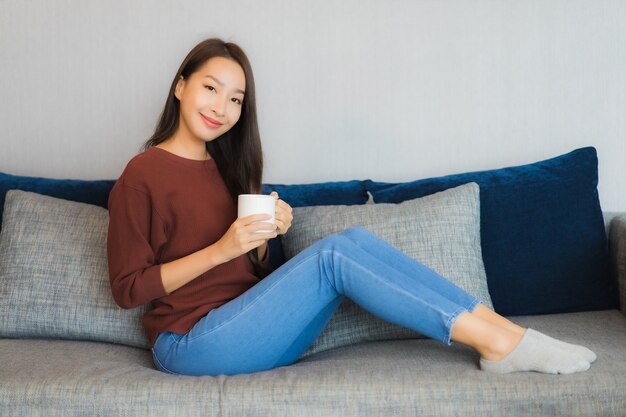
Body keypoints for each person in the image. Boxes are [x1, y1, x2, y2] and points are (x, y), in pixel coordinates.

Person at [107, 38, 596, 377]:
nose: (221, 107)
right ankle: (497, 344)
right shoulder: (142, 175)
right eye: (210, 88)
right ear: (180, 86)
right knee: (334, 256)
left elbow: (248, 275)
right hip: (189, 344)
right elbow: (128, 289)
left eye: (236, 99)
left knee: (355, 242)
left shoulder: (228, 169)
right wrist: (221, 249)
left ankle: (505, 334)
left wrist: (267, 236)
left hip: (248, 327)